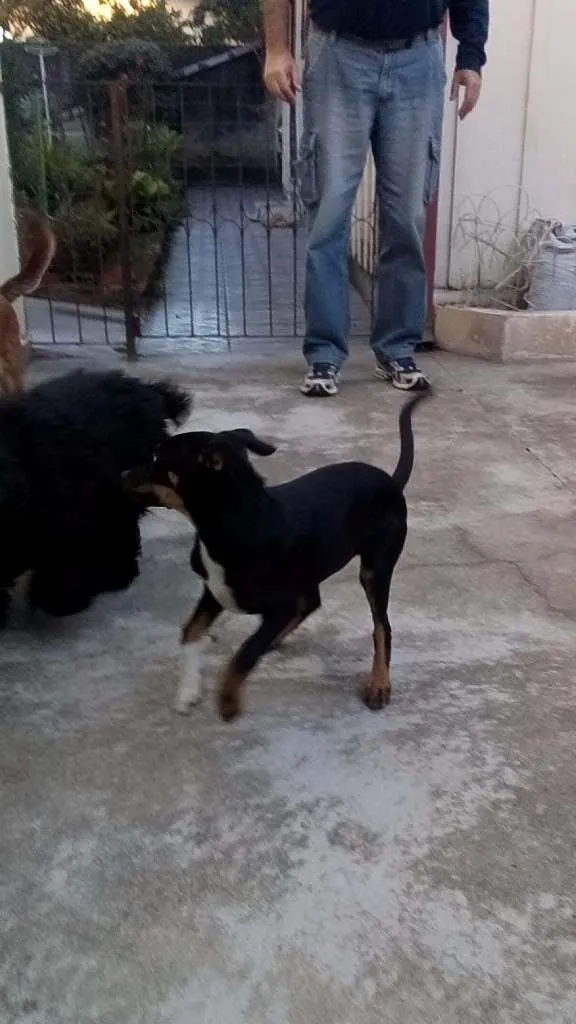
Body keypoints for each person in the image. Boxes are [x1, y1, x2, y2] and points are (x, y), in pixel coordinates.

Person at [263, 0, 489, 396]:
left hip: (417, 60)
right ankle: (324, 354)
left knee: (406, 218)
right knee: (328, 215)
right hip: (337, 56)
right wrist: (277, 49)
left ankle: (397, 348)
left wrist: (471, 56)